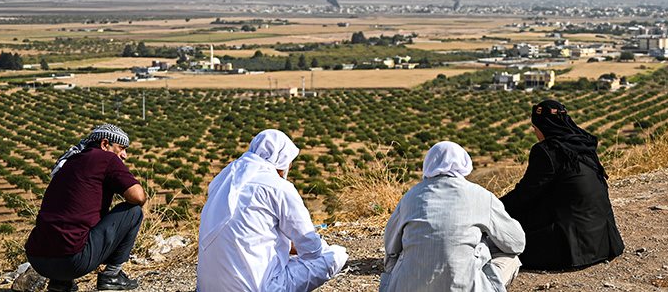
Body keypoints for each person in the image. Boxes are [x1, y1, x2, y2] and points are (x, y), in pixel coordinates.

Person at [197, 129, 348, 292]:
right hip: (258, 288)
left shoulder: (223, 181)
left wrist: (287, 246)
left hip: (206, 288)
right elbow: (312, 250)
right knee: (336, 255)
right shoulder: (278, 187)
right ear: (281, 160)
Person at [381, 141, 526, 292]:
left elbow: (391, 248)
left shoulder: (410, 197)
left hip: (407, 287)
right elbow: (516, 243)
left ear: (428, 164)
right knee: (512, 259)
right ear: (465, 164)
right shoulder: (481, 195)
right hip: (465, 288)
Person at [501, 99, 624, 270]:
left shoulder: (547, 151)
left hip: (573, 247)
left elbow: (525, 193)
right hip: (605, 242)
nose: (535, 132)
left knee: (508, 236)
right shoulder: (583, 143)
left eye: (535, 128)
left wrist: (494, 208)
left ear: (542, 127)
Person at [26, 124, 146, 292]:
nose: (124, 155)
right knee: (133, 211)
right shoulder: (106, 158)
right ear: (105, 144)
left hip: (37, 259)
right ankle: (112, 276)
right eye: (121, 148)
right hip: (73, 261)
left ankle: (60, 283)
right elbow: (138, 196)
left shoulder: (69, 161)